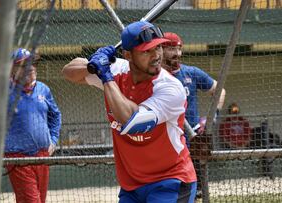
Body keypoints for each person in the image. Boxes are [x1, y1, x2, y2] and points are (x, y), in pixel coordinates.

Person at [62, 21, 197, 202]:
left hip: (170, 180)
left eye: (158, 48)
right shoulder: (117, 70)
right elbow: (68, 72)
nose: (156, 56)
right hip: (132, 184)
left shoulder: (170, 88)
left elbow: (132, 122)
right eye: (146, 51)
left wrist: (105, 77)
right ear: (128, 55)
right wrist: (91, 65)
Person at [0, 48, 62, 203]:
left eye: (33, 62)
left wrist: (53, 139)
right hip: (18, 158)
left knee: (39, 199)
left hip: (42, 156)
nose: (30, 67)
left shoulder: (43, 89)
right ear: (12, 69)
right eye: (24, 64)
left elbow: (55, 116)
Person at [161, 32, 226, 199]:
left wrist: (212, 118)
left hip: (192, 140)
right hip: (165, 142)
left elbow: (220, 91)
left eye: (179, 48)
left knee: (194, 192)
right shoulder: (155, 76)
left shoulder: (191, 73)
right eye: (171, 48)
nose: (177, 53)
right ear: (160, 50)